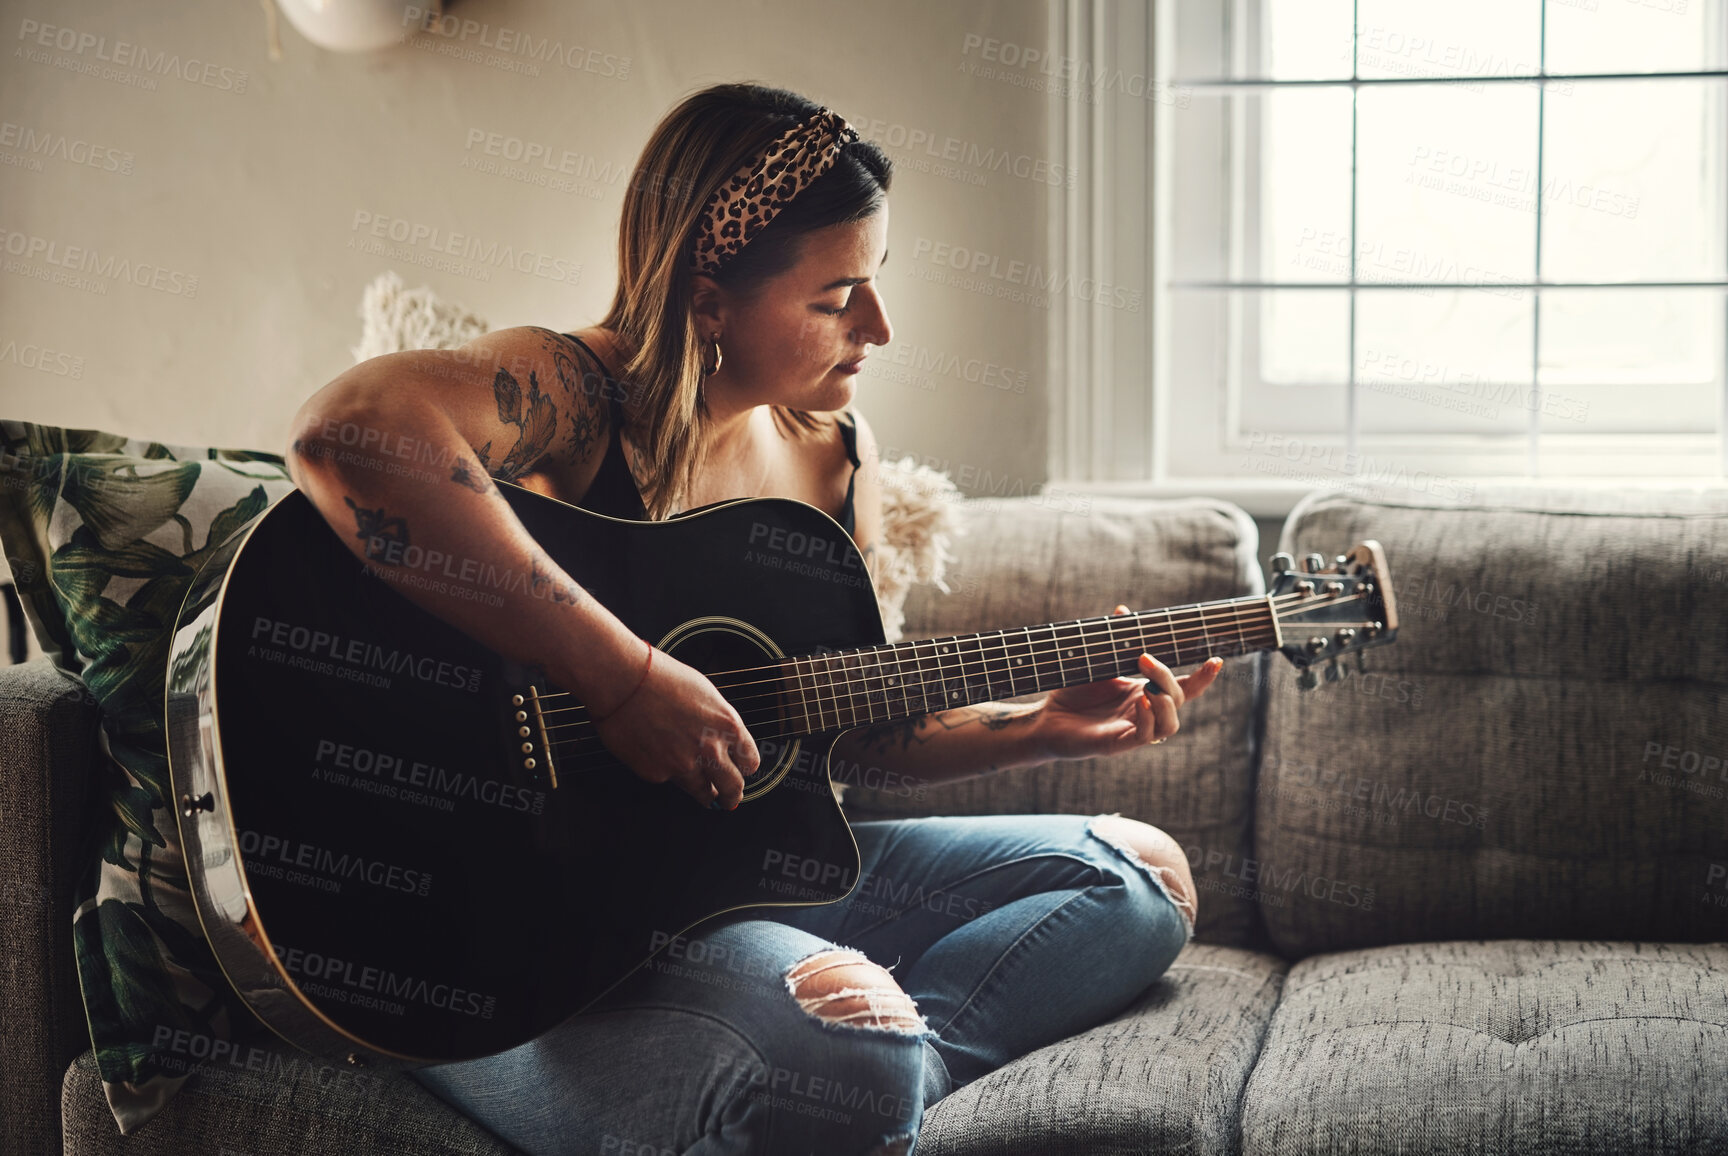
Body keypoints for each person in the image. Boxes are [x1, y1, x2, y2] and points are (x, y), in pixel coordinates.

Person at [285, 82, 1220, 1156]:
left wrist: (1044, 724)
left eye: (876, 285)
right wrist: (626, 677)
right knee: (852, 1041)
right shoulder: (575, 395)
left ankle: (890, 1077)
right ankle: (851, 1067)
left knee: (1137, 876)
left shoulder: (835, 452)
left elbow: (852, 737)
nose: (880, 327)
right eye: (837, 297)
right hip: (532, 907)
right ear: (709, 296)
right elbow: (348, 434)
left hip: (732, 882)